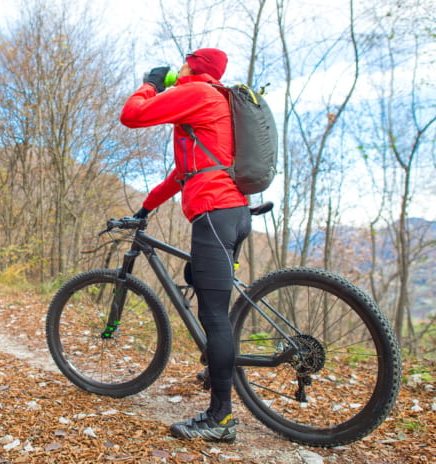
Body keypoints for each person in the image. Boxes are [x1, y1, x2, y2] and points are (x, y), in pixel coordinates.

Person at [120, 48, 251, 442]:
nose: (177, 68)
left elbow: (133, 115)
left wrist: (151, 84)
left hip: (213, 211)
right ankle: (216, 368)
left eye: (182, 63)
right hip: (234, 212)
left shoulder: (199, 93)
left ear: (193, 67)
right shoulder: (216, 105)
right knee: (200, 281)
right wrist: (145, 208)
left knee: (214, 315)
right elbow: (183, 173)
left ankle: (221, 418)